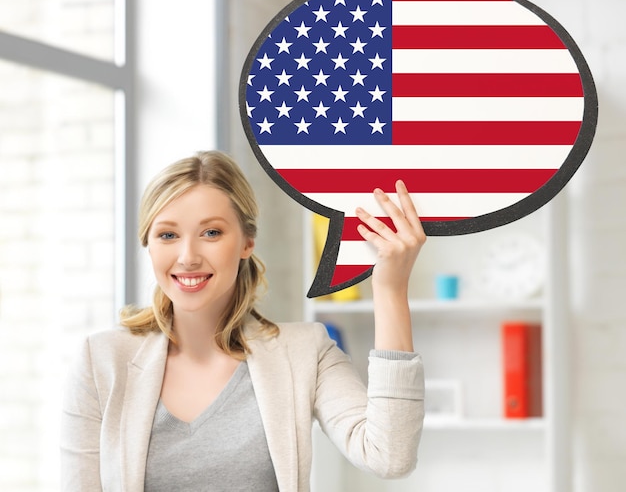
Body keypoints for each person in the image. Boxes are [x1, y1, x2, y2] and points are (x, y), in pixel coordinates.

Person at [60, 150, 426, 492]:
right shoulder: (101, 360)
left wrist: (391, 289)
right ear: (149, 244)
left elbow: (389, 455)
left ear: (247, 241)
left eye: (211, 233)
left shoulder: (306, 351)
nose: (187, 257)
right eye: (168, 235)